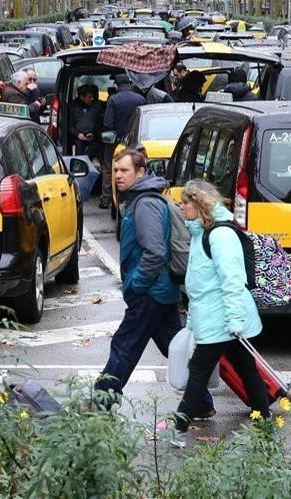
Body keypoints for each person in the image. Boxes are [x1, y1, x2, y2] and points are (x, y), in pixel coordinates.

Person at [94, 150, 214, 417]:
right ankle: (202, 402)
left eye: (125, 170)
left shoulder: (145, 204)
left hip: (150, 292)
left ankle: (101, 404)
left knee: (124, 346)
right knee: (175, 347)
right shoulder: (141, 199)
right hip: (161, 292)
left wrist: (136, 284)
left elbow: (155, 251)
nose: (118, 176)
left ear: (141, 172)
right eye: (115, 170)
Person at [168, 180, 268, 443]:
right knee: (246, 368)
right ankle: (264, 418)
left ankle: (179, 424)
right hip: (216, 315)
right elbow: (200, 283)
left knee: (199, 368)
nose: (181, 206)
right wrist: (192, 319)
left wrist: (235, 320)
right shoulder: (203, 232)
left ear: (199, 204)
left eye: (185, 202)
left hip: (222, 317)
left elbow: (232, 280)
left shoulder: (220, 235)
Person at [100, 75, 146, 209]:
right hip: (137, 141)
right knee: (135, 168)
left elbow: (108, 123)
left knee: (109, 168)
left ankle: (106, 199)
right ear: (130, 83)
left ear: (116, 85)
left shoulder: (113, 100)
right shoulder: (141, 99)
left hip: (117, 142)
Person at [68, 84, 105, 158]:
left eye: (92, 97)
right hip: (79, 137)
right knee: (79, 151)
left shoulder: (98, 106)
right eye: (89, 97)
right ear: (82, 97)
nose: (91, 99)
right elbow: (69, 126)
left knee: (96, 147)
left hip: (94, 137)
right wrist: (78, 135)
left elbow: (102, 123)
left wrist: (95, 134)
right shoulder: (73, 107)